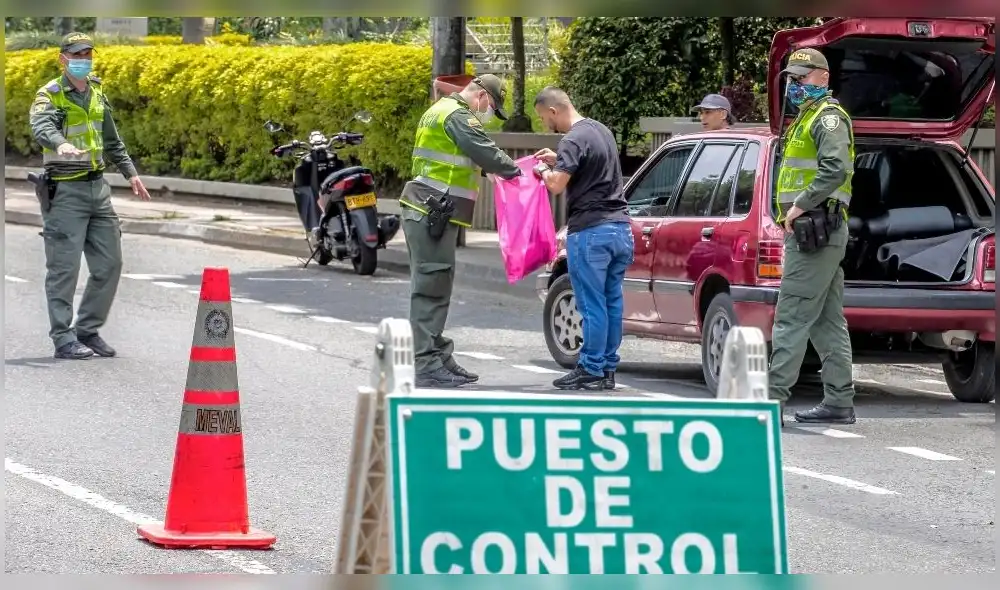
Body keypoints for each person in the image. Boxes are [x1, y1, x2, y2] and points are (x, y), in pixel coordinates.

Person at [29, 32, 151, 361]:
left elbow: (112, 140)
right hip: (65, 192)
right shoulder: (50, 94)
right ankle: (63, 337)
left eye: (87, 54)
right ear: (63, 59)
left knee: (110, 264)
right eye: (76, 54)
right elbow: (42, 127)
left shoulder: (97, 92)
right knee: (64, 269)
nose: (83, 59)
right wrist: (61, 144)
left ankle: (87, 330)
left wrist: (131, 173)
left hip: (98, 190)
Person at [400, 74, 521, 388]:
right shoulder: (458, 116)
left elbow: (457, 156)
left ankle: (438, 355)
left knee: (436, 284)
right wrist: (522, 171)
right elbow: (486, 151)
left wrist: (486, 170)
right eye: (492, 108)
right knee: (431, 287)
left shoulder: (439, 110)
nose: (489, 115)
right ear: (481, 96)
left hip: (428, 210)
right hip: (431, 211)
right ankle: (425, 363)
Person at [770, 47, 857, 425]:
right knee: (826, 321)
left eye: (802, 77)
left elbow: (835, 168)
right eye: (792, 78)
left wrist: (799, 206)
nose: (795, 84)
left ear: (824, 77)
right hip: (818, 232)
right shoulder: (806, 118)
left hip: (816, 231)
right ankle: (838, 401)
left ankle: (770, 402)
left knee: (791, 316)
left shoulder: (828, 118)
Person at [531, 86, 634, 390]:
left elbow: (556, 185)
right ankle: (607, 369)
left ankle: (590, 367)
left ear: (554, 111)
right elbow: (589, 165)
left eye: (544, 118)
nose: (545, 124)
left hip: (591, 232)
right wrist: (559, 158)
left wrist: (542, 169)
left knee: (591, 305)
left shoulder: (572, 139)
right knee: (612, 302)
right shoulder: (601, 131)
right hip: (620, 230)